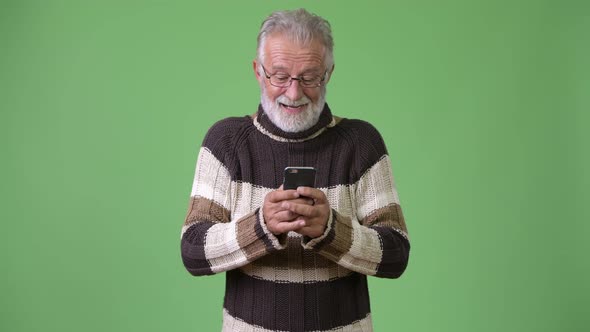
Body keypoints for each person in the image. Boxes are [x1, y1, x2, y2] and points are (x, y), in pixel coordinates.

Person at [180, 8, 410, 332]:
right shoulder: (226, 142)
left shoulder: (361, 143)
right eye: (280, 76)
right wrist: (261, 226)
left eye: (309, 77)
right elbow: (192, 249)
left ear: (328, 73)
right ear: (258, 72)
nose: (294, 92)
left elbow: (396, 254)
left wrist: (331, 230)